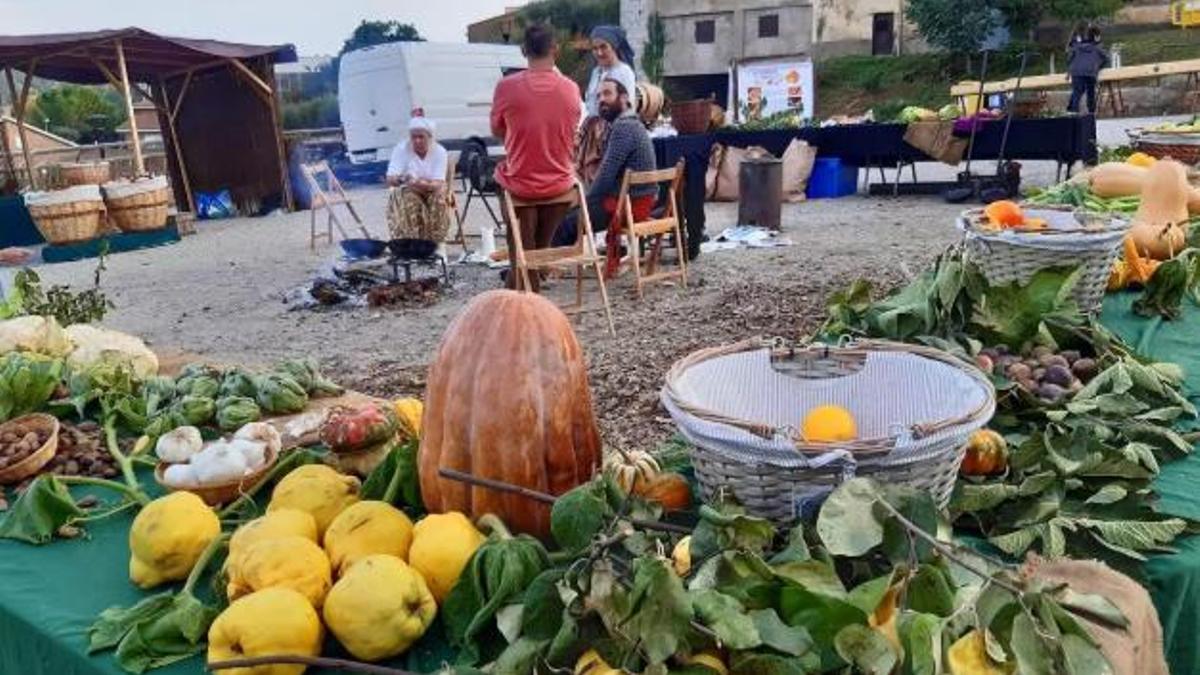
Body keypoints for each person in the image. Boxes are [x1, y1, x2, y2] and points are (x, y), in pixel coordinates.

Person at [491, 23, 582, 291]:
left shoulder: (506, 87)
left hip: (521, 184)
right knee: (532, 246)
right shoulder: (571, 89)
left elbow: (497, 130)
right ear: (555, 49)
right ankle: (534, 266)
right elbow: (572, 129)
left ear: (523, 51)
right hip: (560, 186)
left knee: (521, 236)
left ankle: (524, 282)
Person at [554, 77, 656, 279]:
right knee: (568, 215)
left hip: (627, 207)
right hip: (634, 202)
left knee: (564, 222)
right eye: (599, 95)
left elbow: (605, 177)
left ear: (624, 98)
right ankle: (545, 265)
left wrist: (584, 202)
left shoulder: (624, 127)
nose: (601, 99)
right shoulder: (631, 125)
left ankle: (537, 270)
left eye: (607, 93)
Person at [577, 25, 638, 185]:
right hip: (592, 136)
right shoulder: (596, 72)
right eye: (595, 48)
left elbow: (626, 109)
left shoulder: (624, 72)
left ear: (614, 46)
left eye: (603, 47)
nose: (599, 52)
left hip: (613, 135)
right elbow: (590, 105)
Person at [385, 114, 450, 247]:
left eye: (421, 137)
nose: (417, 141)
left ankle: (435, 244)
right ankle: (414, 243)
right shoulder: (401, 149)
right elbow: (390, 178)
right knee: (409, 199)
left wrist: (419, 183)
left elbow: (438, 183)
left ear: (430, 137)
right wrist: (402, 178)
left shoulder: (439, 152)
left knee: (439, 199)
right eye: (413, 137)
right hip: (409, 189)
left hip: (431, 188)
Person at [1067, 25, 1109, 115]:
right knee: (1091, 93)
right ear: (1097, 36)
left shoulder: (1077, 46)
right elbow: (1106, 59)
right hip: (1090, 72)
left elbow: (1070, 58)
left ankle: (1072, 112)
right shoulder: (1097, 47)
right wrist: (1098, 67)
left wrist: (1069, 71)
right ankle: (1091, 112)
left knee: (1077, 93)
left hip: (1077, 72)